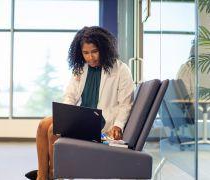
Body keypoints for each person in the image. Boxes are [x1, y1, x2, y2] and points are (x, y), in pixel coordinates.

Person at [25, 26, 134, 180]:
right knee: (44, 124)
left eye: (95, 51)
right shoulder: (80, 69)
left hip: (101, 124)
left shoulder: (121, 69)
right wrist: (65, 115)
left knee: (52, 130)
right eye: (86, 53)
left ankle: (56, 175)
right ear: (80, 53)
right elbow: (70, 96)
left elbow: (126, 103)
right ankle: (43, 176)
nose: (91, 57)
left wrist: (118, 125)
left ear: (104, 48)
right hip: (82, 119)